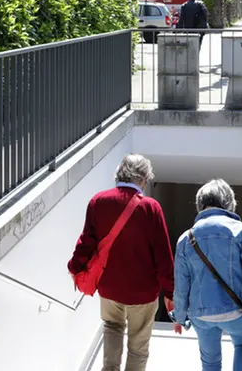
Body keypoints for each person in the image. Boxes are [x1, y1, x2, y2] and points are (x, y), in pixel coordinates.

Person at [68, 154, 174, 371]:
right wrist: (171, 293)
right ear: (143, 179)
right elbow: (163, 256)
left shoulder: (98, 201)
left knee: (112, 328)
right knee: (138, 346)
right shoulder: (151, 208)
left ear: (119, 174)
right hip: (143, 293)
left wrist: (75, 268)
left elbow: (86, 242)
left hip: (110, 288)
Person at [170, 179, 242, 371]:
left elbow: (181, 286)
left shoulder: (185, 238)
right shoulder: (241, 231)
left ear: (200, 204)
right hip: (236, 311)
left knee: (210, 362)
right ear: (229, 203)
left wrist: (180, 318)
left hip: (201, 315)